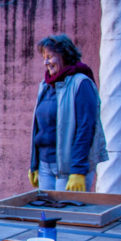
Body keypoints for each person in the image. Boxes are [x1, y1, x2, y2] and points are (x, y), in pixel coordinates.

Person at [28, 34, 108, 191]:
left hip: (69, 169)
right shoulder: (45, 85)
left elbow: (86, 128)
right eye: (44, 58)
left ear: (64, 55)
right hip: (45, 167)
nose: (46, 62)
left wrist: (78, 170)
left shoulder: (81, 83)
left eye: (50, 57)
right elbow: (38, 127)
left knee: (66, 215)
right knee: (47, 214)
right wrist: (34, 164)